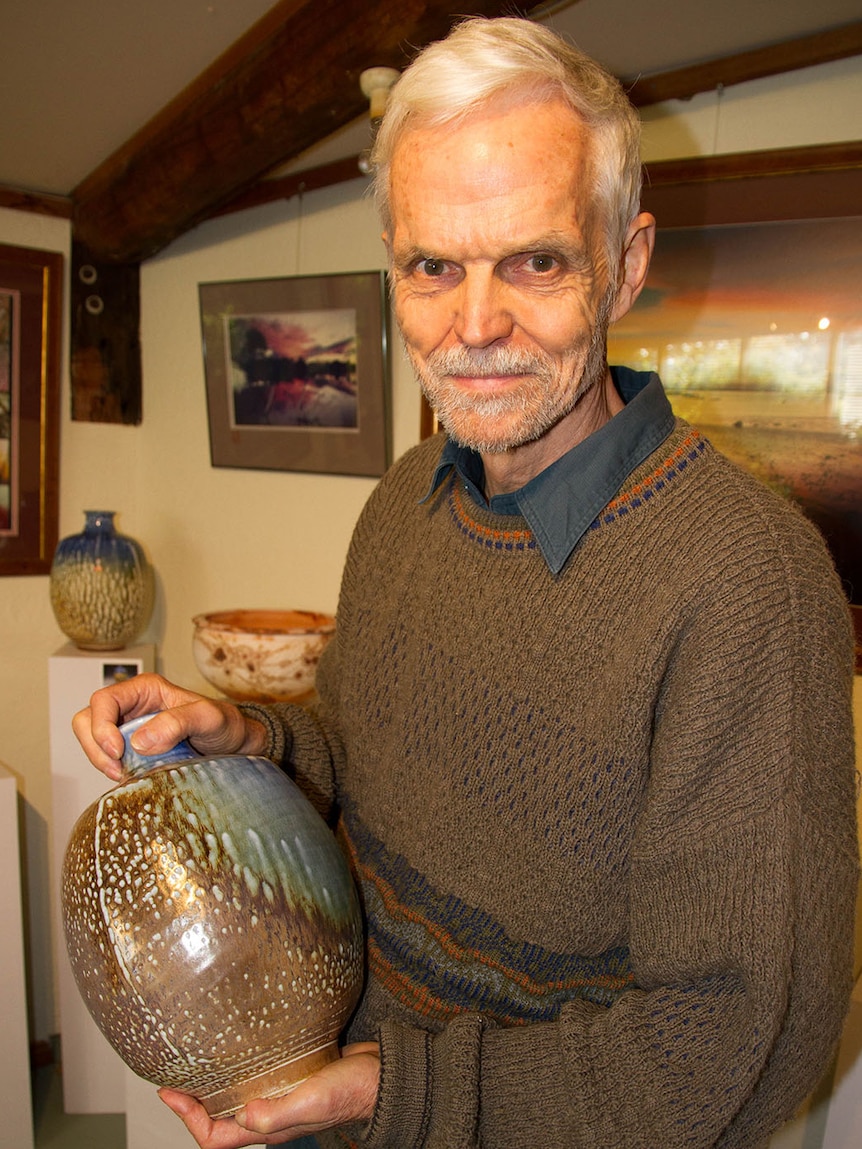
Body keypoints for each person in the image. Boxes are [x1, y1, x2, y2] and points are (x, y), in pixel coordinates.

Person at [73, 16, 859, 1149]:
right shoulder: (406, 501)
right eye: (431, 266)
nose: (475, 324)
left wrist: (389, 1093)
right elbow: (359, 755)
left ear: (625, 264)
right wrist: (249, 735)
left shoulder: (748, 585)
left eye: (535, 261)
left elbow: (733, 1046)